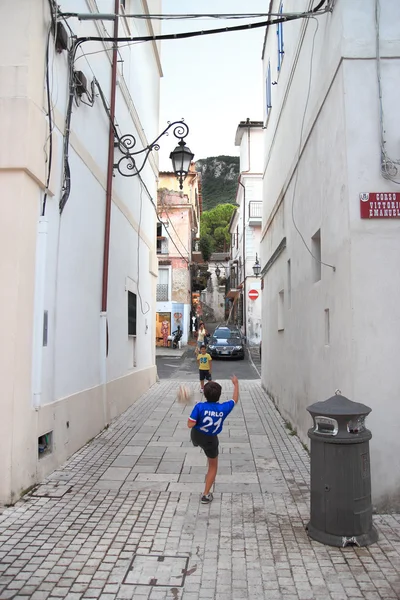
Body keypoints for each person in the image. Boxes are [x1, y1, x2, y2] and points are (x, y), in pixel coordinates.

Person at [187, 376, 239, 504]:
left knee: (196, 435)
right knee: (213, 465)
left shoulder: (199, 407)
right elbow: (234, 399)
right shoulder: (224, 408)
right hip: (211, 440)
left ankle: (195, 443)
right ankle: (205, 495)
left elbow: (190, 424)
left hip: (197, 436)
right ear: (220, 395)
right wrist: (236, 384)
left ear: (204, 394)